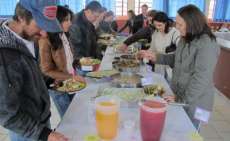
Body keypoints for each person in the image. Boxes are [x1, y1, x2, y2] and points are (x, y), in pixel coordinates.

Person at [138, 5, 220, 128]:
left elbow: (201, 77)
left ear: (193, 24)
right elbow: (175, 58)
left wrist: (182, 99)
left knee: (191, 130)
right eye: (177, 23)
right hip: (180, 94)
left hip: (197, 101)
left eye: (180, 25)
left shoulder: (207, 44)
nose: (177, 27)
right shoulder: (185, 38)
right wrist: (155, 57)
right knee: (178, 127)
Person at [0, 0, 69, 141]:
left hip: (41, 121)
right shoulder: (4, 54)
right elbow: (5, 113)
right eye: (39, 25)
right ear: (21, 18)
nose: (44, 34)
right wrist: (44, 134)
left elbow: (33, 73)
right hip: (25, 130)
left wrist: (51, 81)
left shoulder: (30, 38)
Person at [39, 6, 85, 118]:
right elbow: (46, 70)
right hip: (58, 86)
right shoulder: (45, 40)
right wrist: (71, 77)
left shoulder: (65, 35)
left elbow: (69, 59)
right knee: (67, 119)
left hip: (71, 83)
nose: (69, 23)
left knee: (75, 114)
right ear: (56, 21)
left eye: (70, 20)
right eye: (65, 20)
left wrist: (77, 63)